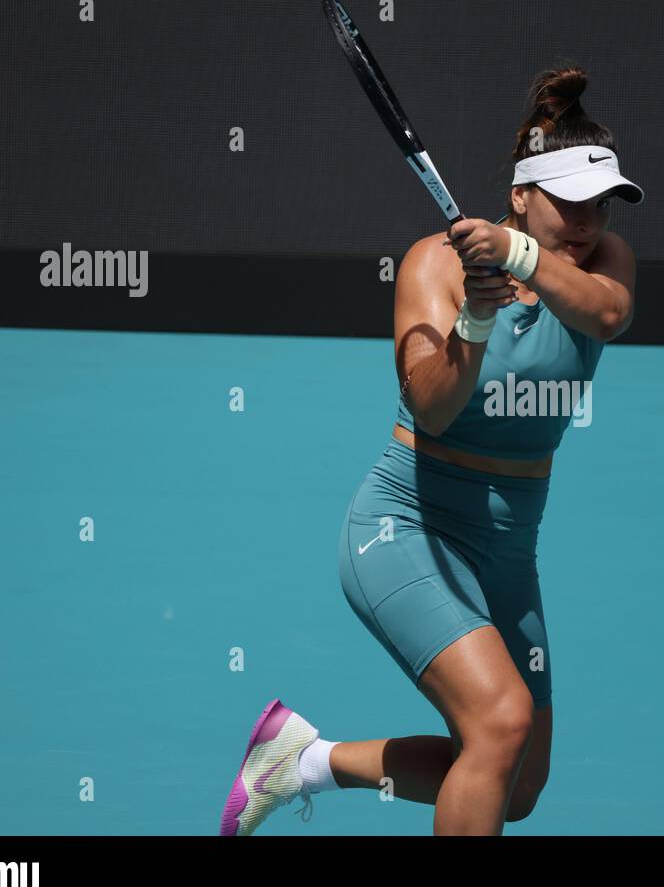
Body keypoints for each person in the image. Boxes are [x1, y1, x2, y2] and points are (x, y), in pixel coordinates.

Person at [221, 65, 641, 836]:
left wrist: (518, 259)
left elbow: (608, 316)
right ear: (521, 195)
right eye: (567, 202)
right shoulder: (432, 266)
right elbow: (432, 408)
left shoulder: (601, 266)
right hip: (404, 528)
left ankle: (303, 762)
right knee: (501, 721)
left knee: (516, 786)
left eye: (599, 204)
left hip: (509, 546)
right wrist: (475, 324)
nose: (586, 221)